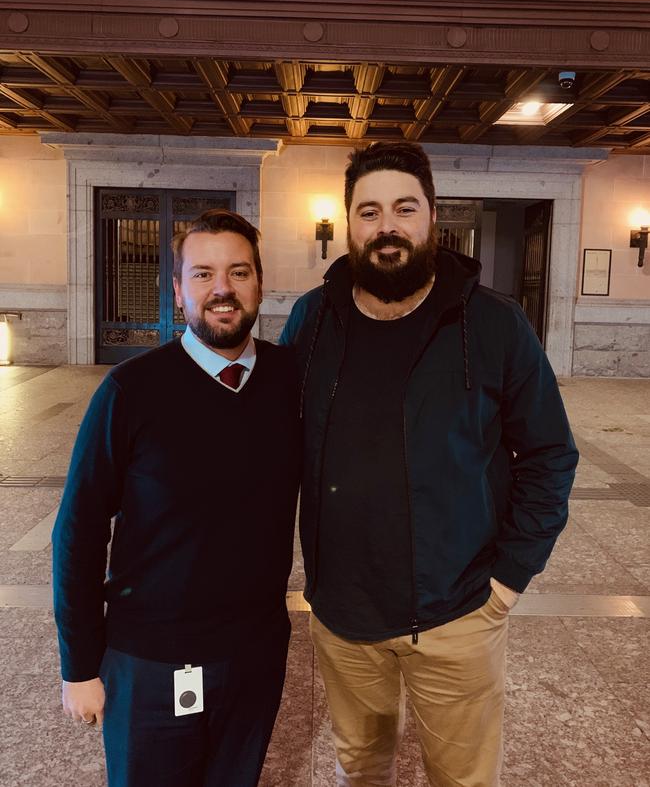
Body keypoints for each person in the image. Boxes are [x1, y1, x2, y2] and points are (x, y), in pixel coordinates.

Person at [280, 142, 578, 787]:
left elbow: (551, 453)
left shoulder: (494, 323)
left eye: (403, 208)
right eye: (369, 211)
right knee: (360, 769)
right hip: (344, 613)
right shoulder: (313, 318)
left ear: (431, 217)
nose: (386, 226)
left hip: (460, 610)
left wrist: (507, 581)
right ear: (350, 222)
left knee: (462, 777)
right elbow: (272, 440)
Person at [53, 210, 301, 787]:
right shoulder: (131, 391)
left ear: (259, 285)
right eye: (203, 274)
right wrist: (80, 665)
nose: (222, 289)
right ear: (178, 289)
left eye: (239, 273)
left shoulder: (290, 381)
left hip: (254, 654)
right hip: (150, 659)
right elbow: (79, 530)